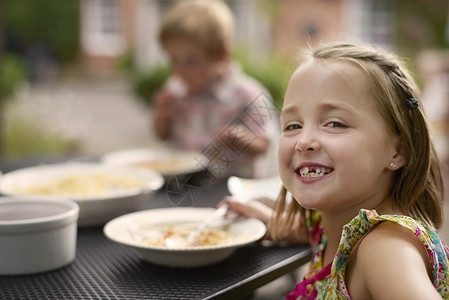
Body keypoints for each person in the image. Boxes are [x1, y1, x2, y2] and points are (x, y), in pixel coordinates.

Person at [223, 42, 449, 299]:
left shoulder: (384, 250)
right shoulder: (335, 223)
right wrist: (269, 221)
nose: (303, 141)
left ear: (397, 152)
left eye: (335, 123)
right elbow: (307, 229)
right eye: (293, 125)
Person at [152, 0, 279, 179]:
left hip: (231, 184)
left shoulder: (248, 94)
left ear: (222, 56)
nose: (179, 70)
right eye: (173, 59)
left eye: (191, 61)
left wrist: (240, 138)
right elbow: (162, 135)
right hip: (185, 184)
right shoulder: (175, 88)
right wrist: (161, 115)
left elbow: (264, 145)